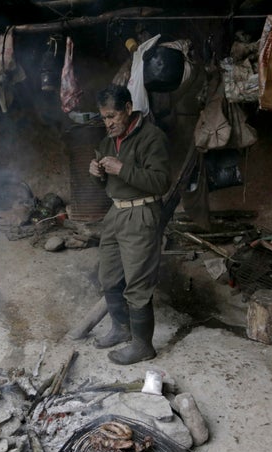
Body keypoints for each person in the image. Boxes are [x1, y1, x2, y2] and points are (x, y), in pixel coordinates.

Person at [88, 84, 171, 365]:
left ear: (127, 108)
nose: (108, 123)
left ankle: (142, 345)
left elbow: (161, 181)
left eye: (112, 116)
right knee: (109, 276)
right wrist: (96, 173)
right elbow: (105, 184)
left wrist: (122, 169)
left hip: (141, 212)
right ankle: (121, 329)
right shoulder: (107, 142)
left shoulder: (152, 137)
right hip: (116, 213)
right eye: (104, 118)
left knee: (137, 283)